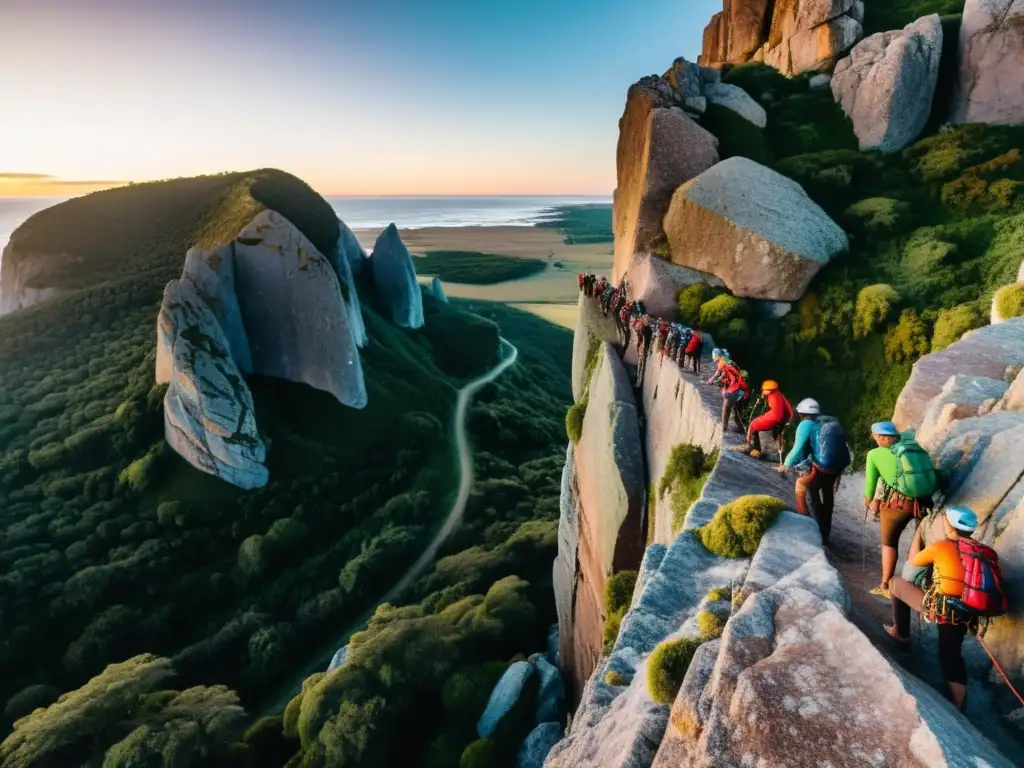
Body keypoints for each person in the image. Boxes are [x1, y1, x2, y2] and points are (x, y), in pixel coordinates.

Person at [886, 506, 979, 712]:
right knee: (952, 653)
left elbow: (913, 565)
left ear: (949, 524)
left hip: (945, 610)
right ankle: (959, 702)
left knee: (896, 584)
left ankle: (900, 634)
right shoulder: (980, 551)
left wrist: (918, 534)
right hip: (969, 611)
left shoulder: (942, 547)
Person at [864, 421, 939, 599]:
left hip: (898, 505)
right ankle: (911, 584)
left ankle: (885, 585)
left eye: (875, 437)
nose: (874, 440)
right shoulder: (911, 448)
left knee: (889, 543)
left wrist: (868, 502)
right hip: (924, 502)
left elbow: (870, 485)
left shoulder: (874, 454)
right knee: (917, 541)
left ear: (882, 438)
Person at [777, 399, 850, 546]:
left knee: (807, 490)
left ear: (802, 412)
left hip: (818, 468)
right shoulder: (826, 424)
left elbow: (797, 448)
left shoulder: (806, 424)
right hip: (834, 470)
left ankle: (808, 527)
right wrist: (839, 475)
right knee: (828, 497)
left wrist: (785, 465)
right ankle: (825, 534)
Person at [737, 380, 793, 459]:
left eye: (764, 390)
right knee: (777, 436)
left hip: (774, 417)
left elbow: (774, 414)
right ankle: (779, 454)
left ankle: (752, 447)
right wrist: (789, 419)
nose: (763, 391)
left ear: (769, 390)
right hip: (782, 420)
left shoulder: (771, 395)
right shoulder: (779, 395)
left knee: (753, 425)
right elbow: (789, 409)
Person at [719, 361, 749, 433]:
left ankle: (724, 428)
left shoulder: (728, 372)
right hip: (741, 394)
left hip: (734, 392)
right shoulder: (740, 373)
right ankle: (741, 428)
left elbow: (722, 382)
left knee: (726, 409)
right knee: (738, 412)